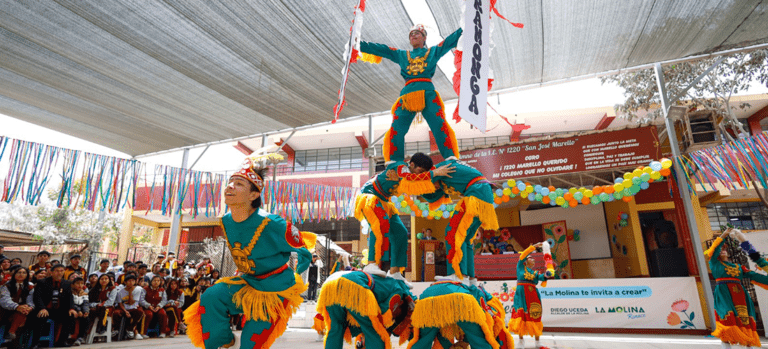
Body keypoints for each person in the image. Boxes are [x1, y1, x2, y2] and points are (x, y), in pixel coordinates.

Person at [184, 159, 316, 349]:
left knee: (250, 344)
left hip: (275, 289)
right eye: (230, 182)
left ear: (254, 194)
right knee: (211, 296)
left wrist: (296, 280)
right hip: (247, 280)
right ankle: (224, 340)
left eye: (239, 184)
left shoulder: (274, 223)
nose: (230, 187)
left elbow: (304, 252)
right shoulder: (226, 221)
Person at [358, 24, 462, 163]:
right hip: (407, 97)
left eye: (417, 33)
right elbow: (381, 49)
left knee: (439, 125)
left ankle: (451, 158)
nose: (413, 35)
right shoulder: (402, 54)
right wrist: (358, 44)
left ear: (424, 37)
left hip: (428, 94)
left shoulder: (433, 51)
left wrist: (467, 26)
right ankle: (395, 163)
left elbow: (450, 41)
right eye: (411, 34)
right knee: (396, 129)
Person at [354, 159, 453, 285]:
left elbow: (425, 192)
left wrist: (443, 189)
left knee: (401, 232)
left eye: (424, 172)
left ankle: (395, 272)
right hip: (370, 195)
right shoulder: (402, 167)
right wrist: (435, 173)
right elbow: (412, 178)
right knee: (380, 223)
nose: (420, 175)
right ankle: (371, 264)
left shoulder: (411, 178)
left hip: (384, 201)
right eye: (420, 171)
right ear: (412, 164)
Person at [409, 152, 498, 285]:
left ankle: (457, 274)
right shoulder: (442, 177)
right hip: (483, 195)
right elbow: (432, 196)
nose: (437, 187)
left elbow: (421, 183)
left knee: (452, 232)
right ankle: (469, 277)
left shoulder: (441, 169)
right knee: (466, 238)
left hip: (476, 193)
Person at [312, 271, 415, 349]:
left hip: (329, 286)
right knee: (374, 331)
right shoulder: (398, 289)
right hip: (353, 284)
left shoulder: (385, 282)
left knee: (336, 328)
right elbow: (383, 312)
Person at [705, 228, 768, 349]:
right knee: (727, 317)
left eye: (725, 249)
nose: (722, 251)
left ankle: (749, 344)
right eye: (720, 250)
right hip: (724, 294)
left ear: (729, 253)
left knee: (744, 319)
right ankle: (726, 346)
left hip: (740, 295)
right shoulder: (714, 263)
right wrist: (724, 234)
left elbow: (755, 276)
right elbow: (714, 249)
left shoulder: (739, 267)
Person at [408, 280, 514, 349]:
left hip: (426, 299)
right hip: (460, 299)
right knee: (478, 338)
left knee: (423, 339)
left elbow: (443, 334)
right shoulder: (480, 292)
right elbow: (479, 327)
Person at [508, 243, 550, 349]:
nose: (533, 260)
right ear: (526, 260)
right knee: (520, 316)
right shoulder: (520, 267)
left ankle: (537, 342)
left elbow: (541, 277)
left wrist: (547, 274)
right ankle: (521, 341)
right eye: (531, 258)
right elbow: (524, 254)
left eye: (533, 259)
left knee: (535, 315)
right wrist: (534, 247)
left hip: (533, 296)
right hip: (521, 295)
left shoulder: (534, 272)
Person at [32, 263, 78, 347]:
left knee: (70, 316)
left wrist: (71, 308)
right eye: (57, 271)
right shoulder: (42, 282)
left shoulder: (66, 283)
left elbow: (69, 297)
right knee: (41, 317)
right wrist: (42, 308)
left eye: (61, 271)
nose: (59, 273)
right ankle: (36, 342)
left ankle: (62, 341)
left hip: (59, 309)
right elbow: (37, 297)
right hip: (46, 308)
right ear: (51, 272)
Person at [0, 266, 34, 341]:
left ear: (27, 275)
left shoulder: (30, 286)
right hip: (6, 309)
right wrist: (17, 306)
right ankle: (11, 336)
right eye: (19, 272)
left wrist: (29, 308)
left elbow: (31, 300)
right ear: (14, 274)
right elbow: (4, 300)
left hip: (21, 311)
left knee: (23, 313)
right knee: (21, 313)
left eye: (24, 273)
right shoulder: (6, 285)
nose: (21, 274)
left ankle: (11, 334)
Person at [114, 274, 145, 340]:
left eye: (133, 281)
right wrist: (125, 311)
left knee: (140, 312)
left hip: (133, 308)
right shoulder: (120, 292)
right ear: (125, 282)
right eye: (129, 281)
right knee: (116, 313)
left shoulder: (138, 290)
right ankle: (116, 329)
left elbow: (131, 302)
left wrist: (130, 292)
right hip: (124, 308)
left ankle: (130, 329)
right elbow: (120, 303)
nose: (131, 282)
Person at [70, 277, 90, 346]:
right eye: (77, 283)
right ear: (72, 284)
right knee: (72, 316)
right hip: (72, 309)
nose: (80, 285)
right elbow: (71, 303)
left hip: (81, 310)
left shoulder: (84, 293)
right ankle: (70, 336)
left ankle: (80, 337)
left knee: (86, 319)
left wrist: (85, 311)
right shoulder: (70, 292)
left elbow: (86, 303)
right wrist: (78, 311)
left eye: (82, 284)